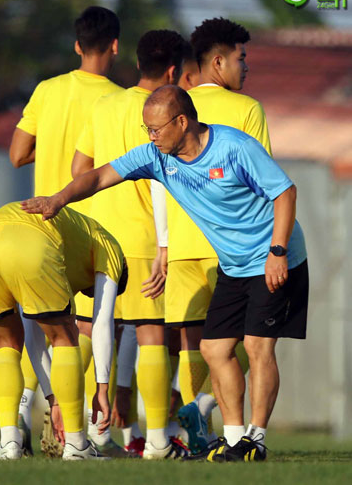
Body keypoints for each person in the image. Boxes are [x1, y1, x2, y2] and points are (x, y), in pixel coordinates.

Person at [21, 85, 308, 462]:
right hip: (234, 265)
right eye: (147, 130)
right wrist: (58, 199)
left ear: (182, 121)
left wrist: (278, 251)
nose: (151, 137)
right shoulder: (157, 157)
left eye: (156, 129)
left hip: (274, 254)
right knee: (213, 348)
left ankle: (256, 438)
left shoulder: (234, 147)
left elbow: (285, 193)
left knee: (257, 346)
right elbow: (99, 176)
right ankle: (236, 440)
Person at [10, 5, 123, 456]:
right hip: (94, 225)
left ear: (77, 45)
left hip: (43, 225)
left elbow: (18, 154)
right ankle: (84, 431)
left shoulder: (47, 90)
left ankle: (17, 420)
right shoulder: (119, 99)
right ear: (115, 46)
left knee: (38, 326)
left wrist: (53, 147)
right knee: (90, 329)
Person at [72, 29, 190, 459]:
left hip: (97, 237)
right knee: (152, 336)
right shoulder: (167, 115)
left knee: (87, 334)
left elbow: (80, 167)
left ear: (138, 61)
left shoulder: (104, 105)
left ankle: (89, 435)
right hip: (144, 238)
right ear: (175, 71)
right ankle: (158, 440)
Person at [169, 18, 273, 454]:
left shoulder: (175, 106)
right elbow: (264, 182)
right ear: (218, 62)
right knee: (251, 340)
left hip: (180, 241)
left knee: (199, 343)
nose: (245, 69)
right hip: (232, 248)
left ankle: (197, 427)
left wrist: (162, 246)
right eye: (240, 59)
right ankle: (207, 406)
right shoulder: (246, 109)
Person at [0, 202, 127, 460]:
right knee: (65, 337)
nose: (88, 293)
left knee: (5, 342)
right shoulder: (111, 249)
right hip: (28, 243)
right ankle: (76, 446)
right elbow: (102, 324)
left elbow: (32, 335)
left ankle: (9, 444)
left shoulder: (75, 245)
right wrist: (102, 391)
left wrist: (55, 399)